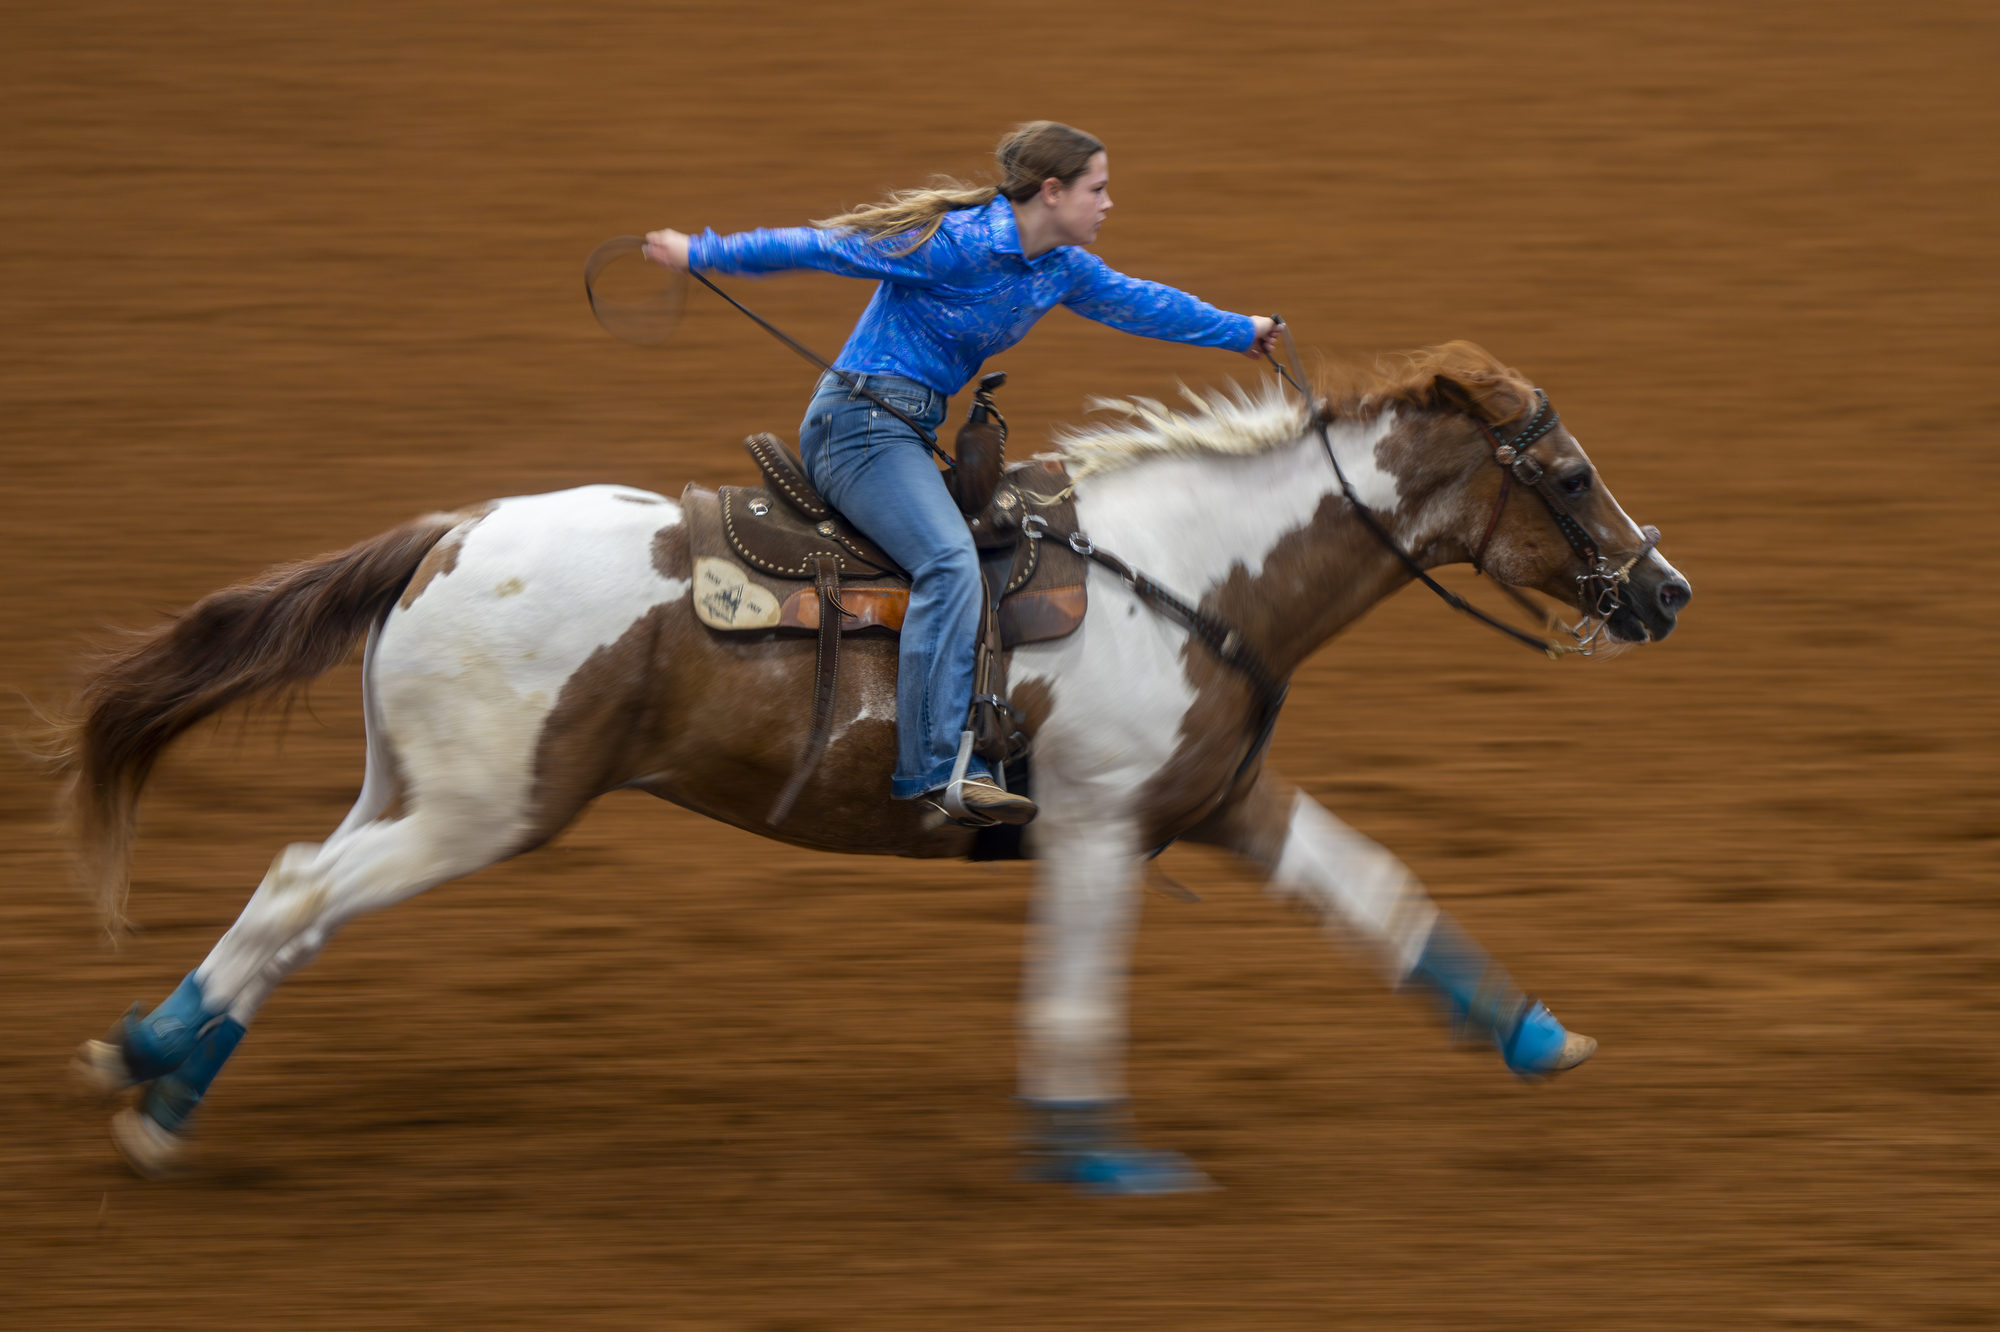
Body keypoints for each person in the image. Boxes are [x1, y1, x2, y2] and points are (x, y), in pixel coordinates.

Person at [644, 121, 1280, 825]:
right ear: (1052, 191)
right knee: (948, 563)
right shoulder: (959, 244)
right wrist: (700, 250)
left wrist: (1239, 330)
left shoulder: (1060, 268)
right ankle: (940, 768)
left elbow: (1141, 302)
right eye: (1097, 189)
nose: (1107, 204)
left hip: (906, 433)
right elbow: (825, 247)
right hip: (857, 430)